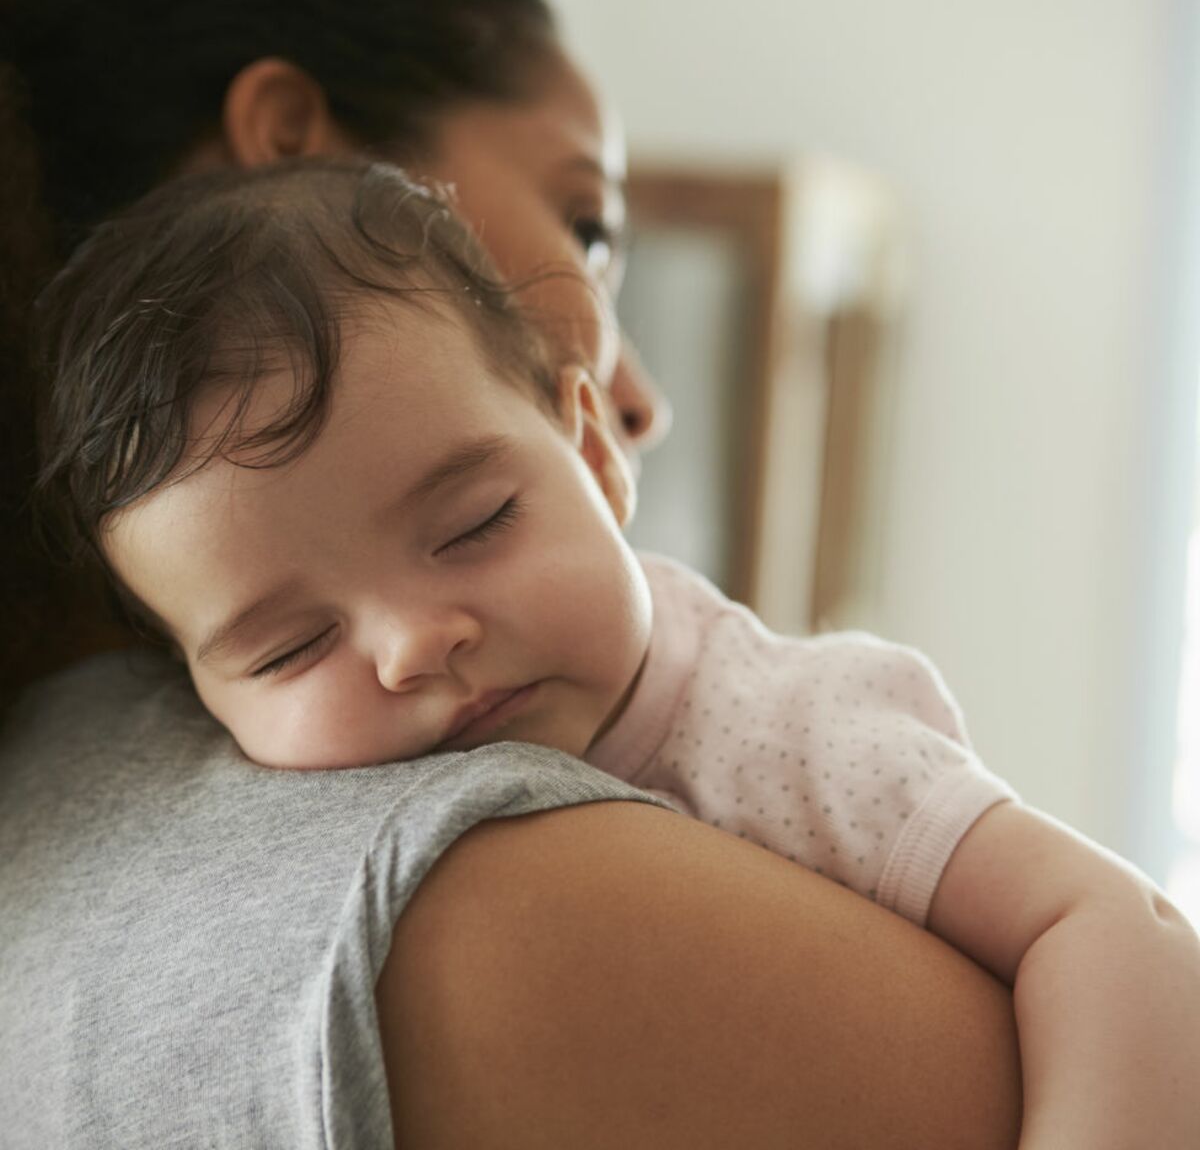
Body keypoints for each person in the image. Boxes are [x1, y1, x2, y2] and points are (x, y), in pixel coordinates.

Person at [0, 0, 1026, 1145]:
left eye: (472, 523)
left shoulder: (54, 814)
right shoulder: (493, 908)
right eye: (586, 227)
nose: (638, 402)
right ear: (291, 149)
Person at [36, 156, 1200, 1150]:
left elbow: (1113, 928)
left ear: (591, 449)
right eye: (292, 648)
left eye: (473, 526)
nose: (411, 646)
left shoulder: (792, 731)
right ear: (191, 690)